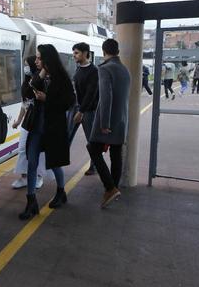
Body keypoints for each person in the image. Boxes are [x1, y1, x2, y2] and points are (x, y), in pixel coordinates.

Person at [19, 44, 76, 220]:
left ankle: (61, 192)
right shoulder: (39, 76)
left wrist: (47, 99)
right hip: (36, 128)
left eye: (38, 58)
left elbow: (69, 102)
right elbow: (27, 94)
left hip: (53, 128)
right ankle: (31, 201)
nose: (35, 61)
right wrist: (39, 76)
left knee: (54, 162)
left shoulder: (62, 78)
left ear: (47, 59)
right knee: (31, 163)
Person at [86, 39, 131, 209]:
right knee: (116, 154)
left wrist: (104, 123)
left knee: (93, 149)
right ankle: (113, 188)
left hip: (108, 121)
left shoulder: (105, 69)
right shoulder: (125, 70)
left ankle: (110, 188)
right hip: (121, 120)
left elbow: (106, 97)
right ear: (117, 51)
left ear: (104, 51)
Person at [10, 56, 51, 190]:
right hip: (27, 122)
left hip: (39, 122)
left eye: (27, 65)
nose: (25, 67)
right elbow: (24, 104)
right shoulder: (26, 81)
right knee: (22, 149)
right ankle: (24, 177)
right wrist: (18, 121)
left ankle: (38, 176)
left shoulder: (40, 81)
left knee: (38, 151)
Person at [72, 42, 99, 176]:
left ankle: (94, 166)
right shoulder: (79, 69)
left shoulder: (93, 71)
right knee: (68, 134)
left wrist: (81, 111)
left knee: (91, 140)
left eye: (76, 53)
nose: (74, 55)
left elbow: (91, 93)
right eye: (74, 53)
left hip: (88, 111)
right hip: (79, 108)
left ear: (85, 53)